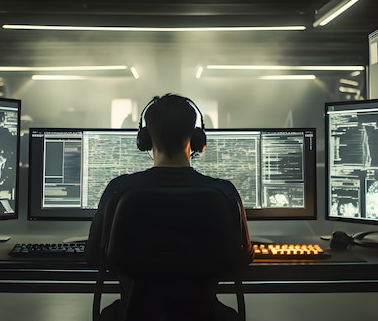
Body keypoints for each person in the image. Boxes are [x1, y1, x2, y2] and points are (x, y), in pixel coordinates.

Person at [85, 93, 253, 320]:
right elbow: (240, 261)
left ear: (144, 140)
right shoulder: (224, 193)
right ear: (196, 139)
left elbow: (95, 256)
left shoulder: (119, 190)